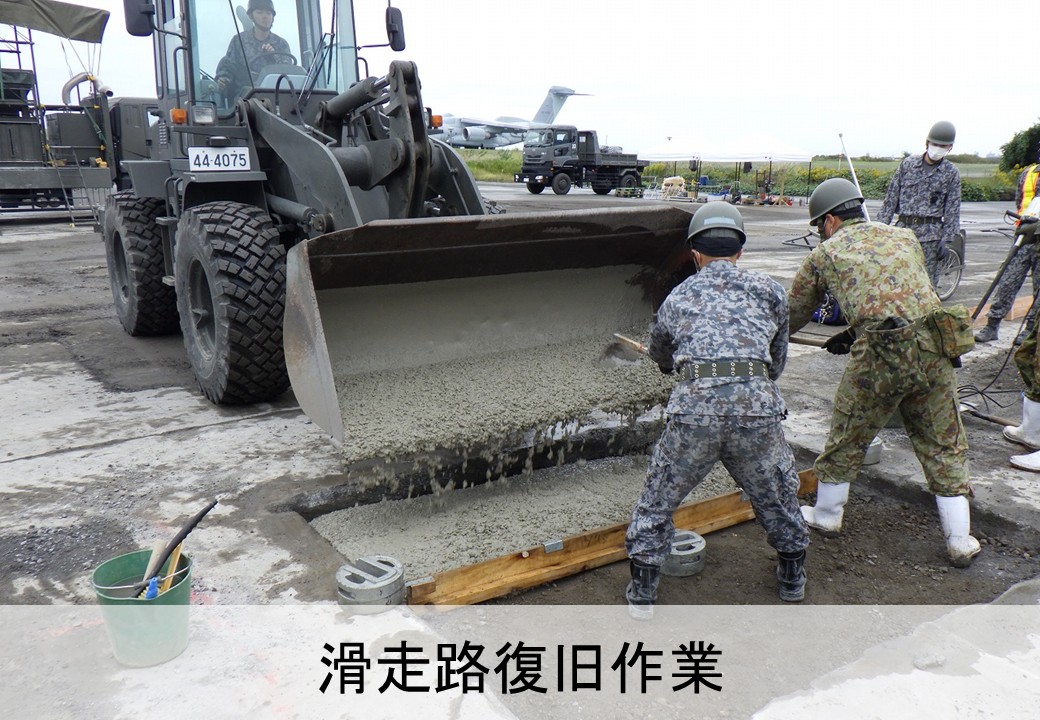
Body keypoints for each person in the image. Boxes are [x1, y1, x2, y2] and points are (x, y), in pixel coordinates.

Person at [624, 202, 810, 619]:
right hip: (756, 410)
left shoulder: (678, 297)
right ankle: (792, 580)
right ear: (739, 251)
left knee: (658, 498)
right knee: (777, 494)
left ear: (695, 254)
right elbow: (776, 363)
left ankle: (642, 594)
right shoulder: (771, 291)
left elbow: (661, 354)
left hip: (695, 413)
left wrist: (672, 363)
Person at [789, 178, 980, 568]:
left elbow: (793, 314)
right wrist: (851, 332)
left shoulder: (825, 253)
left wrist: (765, 342)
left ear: (829, 221)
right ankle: (960, 539)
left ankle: (827, 515)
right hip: (934, 344)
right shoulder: (904, 235)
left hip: (881, 354)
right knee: (942, 441)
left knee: (849, 431)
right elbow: (902, 295)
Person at [878, 121, 961, 290]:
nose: (938, 148)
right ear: (927, 143)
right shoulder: (908, 165)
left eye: (943, 146)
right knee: (897, 280)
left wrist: (947, 240)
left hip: (931, 237)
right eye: (935, 144)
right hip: (902, 233)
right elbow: (890, 199)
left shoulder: (951, 173)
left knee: (926, 286)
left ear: (950, 148)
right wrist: (879, 229)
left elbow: (953, 209)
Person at [974, 153, 1040, 345]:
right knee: (1007, 281)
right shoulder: (1028, 173)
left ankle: (1029, 330)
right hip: (1024, 235)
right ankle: (992, 325)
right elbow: (1020, 202)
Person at [215, 0, 291, 97]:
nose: (265, 16)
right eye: (260, 12)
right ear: (251, 16)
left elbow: (288, 73)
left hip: (276, 96)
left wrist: (273, 57)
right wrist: (223, 80)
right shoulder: (239, 41)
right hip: (246, 100)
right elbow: (228, 67)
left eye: (268, 13)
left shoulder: (281, 44)